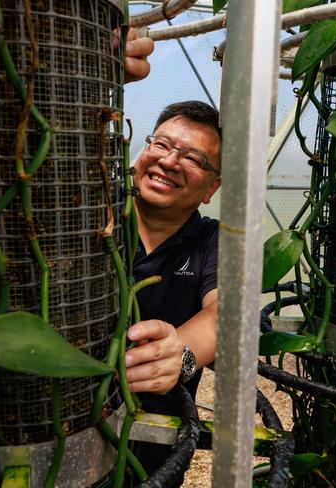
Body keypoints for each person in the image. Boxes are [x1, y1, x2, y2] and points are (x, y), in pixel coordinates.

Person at [125, 100, 222, 476]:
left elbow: (224, 311)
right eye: (161, 145)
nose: (168, 161)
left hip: (156, 451)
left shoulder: (213, 240)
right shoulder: (94, 213)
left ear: (212, 187)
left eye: (193, 159)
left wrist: (180, 352)